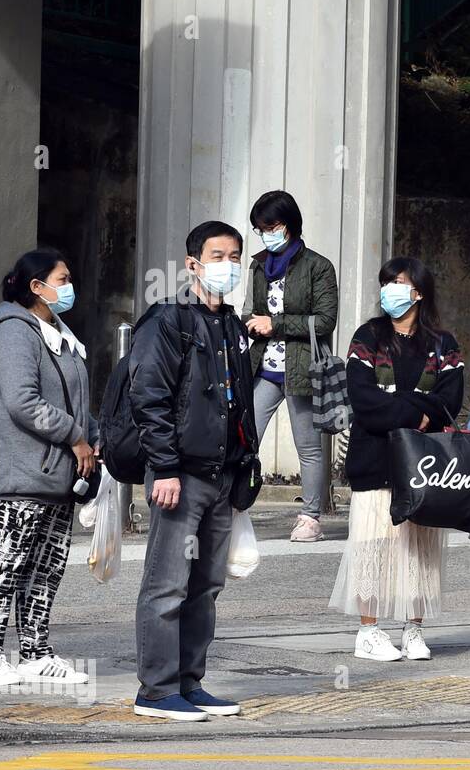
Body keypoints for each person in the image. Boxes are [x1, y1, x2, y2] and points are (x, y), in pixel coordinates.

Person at [130, 221, 259, 720]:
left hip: (223, 476)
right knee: (167, 585)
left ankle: (190, 681)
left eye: (234, 256)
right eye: (217, 255)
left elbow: (237, 402)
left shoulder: (231, 326)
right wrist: (163, 467)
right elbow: (150, 397)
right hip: (179, 476)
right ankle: (157, 691)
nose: (227, 264)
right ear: (192, 264)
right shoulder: (168, 321)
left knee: (206, 586)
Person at [330, 258, 464, 662]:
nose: (390, 289)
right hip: (374, 458)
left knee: (420, 548)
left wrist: (412, 407)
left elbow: (449, 399)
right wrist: (415, 411)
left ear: (419, 292)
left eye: (399, 283)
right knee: (372, 544)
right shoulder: (368, 337)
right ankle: (368, 631)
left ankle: (413, 629)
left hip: (423, 463)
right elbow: (364, 399)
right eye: (386, 281)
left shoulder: (444, 344)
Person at [0, 249, 95, 686]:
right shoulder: (15, 332)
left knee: (47, 567)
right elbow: (22, 402)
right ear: (37, 286)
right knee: (8, 564)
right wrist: (75, 436)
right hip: (24, 472)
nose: (69, 286)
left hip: (59, 475)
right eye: (63, 278)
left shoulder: (59, 332)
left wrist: (91, 442)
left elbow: (76, 397)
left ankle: (35, 651)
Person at [245, 190, 338, 543]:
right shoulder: (257, 265)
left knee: (309, 447)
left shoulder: (318, 266)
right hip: (263, 367)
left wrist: (276, 324)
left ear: (289, 224)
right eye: (260, 228)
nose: (266, 233)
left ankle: (310, 517)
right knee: (244, 439)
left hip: (303, 369)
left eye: (271, 226)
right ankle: (234, 506)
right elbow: (253, 311)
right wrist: (247, 322)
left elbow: (325, 320)